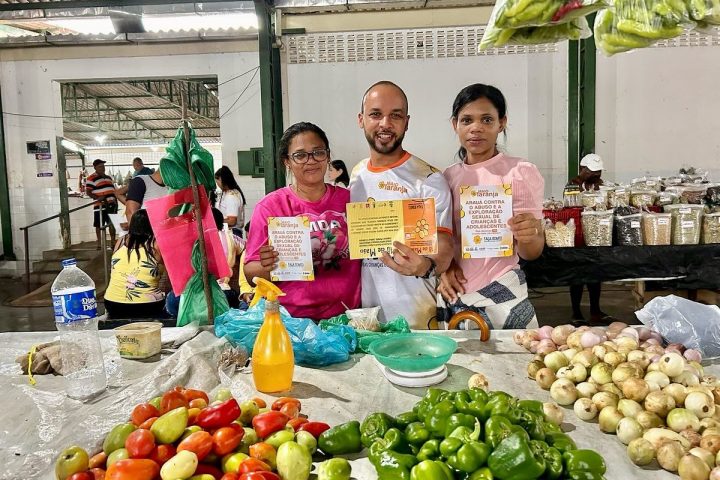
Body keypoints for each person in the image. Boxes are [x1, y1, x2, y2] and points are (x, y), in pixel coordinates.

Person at [437, 84, 545, 330]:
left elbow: (531, 252)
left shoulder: (520, 172)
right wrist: (444, 269)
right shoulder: (447, 178)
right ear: (455, 125)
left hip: (504, 294)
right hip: (456, 293)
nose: (476, 128)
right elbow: (444, 241)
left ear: (501, 123)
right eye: (467, 120)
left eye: (487, 119)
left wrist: (529, 235)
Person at [350, 81, 454, 328]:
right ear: (361, 119)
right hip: (368, 319)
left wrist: (426, 265)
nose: (385, 123)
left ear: (406, 122)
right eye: (376, 114)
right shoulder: (357, 175)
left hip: (417, 319)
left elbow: (445, 246)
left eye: (395, 116)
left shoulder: (428, 178)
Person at [244, 122, 361, 320]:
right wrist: (267, 265)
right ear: (287, 161)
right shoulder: (270, 207)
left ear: (328, 156)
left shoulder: (351, 200)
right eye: (300, 155)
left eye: (318, 152)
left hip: (348, 318)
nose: (311, 160)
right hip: (291, 321)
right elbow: (250, 273)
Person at [567, 153, 611, 326]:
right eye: (592, 171)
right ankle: (576, 312)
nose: (596, 174)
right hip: (579, 236)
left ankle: (595, 311)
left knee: (595, 275)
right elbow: (570, 206)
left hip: (596, 235)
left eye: (598, 171)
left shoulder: (601, 185)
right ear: (582, 169)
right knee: (577, 276)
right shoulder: (573, 185)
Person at [104, 209, 165, 319]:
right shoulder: (155, 243)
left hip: (112, 304)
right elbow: (169, 276)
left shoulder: (121, 241)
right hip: (145, 306)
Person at [213, 207, 244, 309]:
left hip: (202, 295)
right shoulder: (231, 237)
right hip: (226, 292)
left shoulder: (195, 239)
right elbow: (246, 249)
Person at [85, 159, 117, 249]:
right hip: (100, 205)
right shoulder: (91, 178)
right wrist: (97, 198)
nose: (102, 168)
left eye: (103, 166)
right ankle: (99, 244)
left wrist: (115, 199)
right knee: (99, 225)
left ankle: (113, 243)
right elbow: (88, 192)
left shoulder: (108, 178)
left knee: (112, 224)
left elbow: (113, 190)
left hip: (112, 204)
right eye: (100, 166)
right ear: (95, 167)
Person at [215, 166, 247, 237]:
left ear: (221, 180)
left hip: (231, 233)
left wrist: (216, 222)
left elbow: (232, 221)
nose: (218, 185)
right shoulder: (233, 192)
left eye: (217, 182)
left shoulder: (231, 196)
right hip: (232, 232)